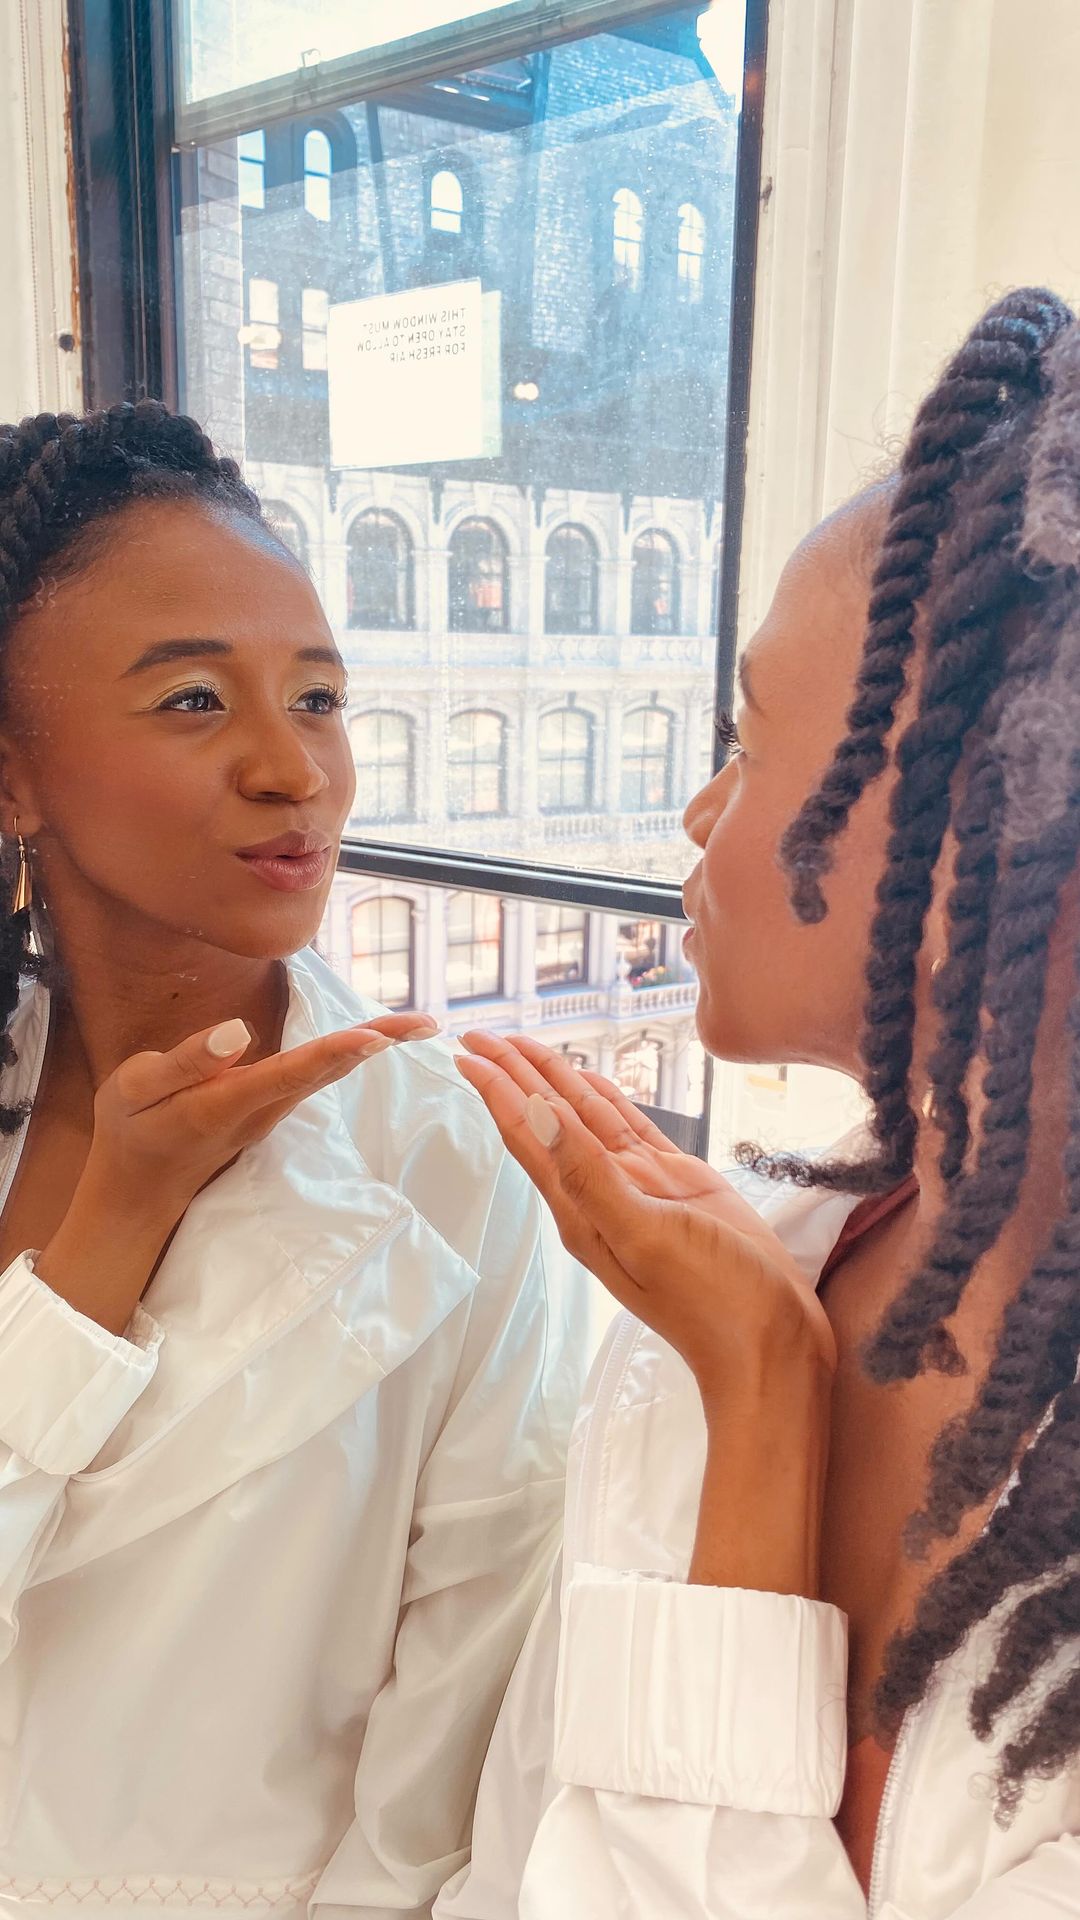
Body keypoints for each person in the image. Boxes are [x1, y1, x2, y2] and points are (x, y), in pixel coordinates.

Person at [436, 286, 1080, 1917]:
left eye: (750, 734)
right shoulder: (743, 1268)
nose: (698, 809)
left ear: (984, 833)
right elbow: (517, 1859)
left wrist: (763, 1402)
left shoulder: (728, 1322)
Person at [0, 403, 584, 1920]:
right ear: (13, 773)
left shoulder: (458, 1160)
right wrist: (103, 1238)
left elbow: (454, 1753)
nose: (295, 769)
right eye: (195, 700)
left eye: (319, 698)